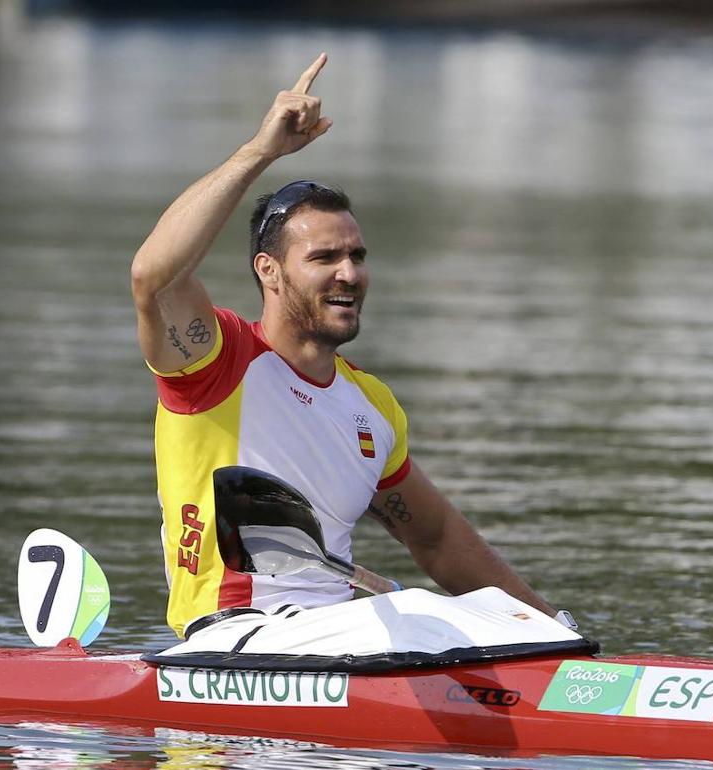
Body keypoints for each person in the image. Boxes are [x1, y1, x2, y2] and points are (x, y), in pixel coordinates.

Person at [131, 53, 567, 638]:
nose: (349, 273)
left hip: (340, 638)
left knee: (462, 616)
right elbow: (154, 279)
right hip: (233, 636)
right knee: (420, 615)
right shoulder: (216, 362)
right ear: (269, 271)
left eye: (357, 256)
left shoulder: (372, 406)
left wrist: (555, 633)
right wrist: (260, 151)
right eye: (324, 258)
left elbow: (435, 538)